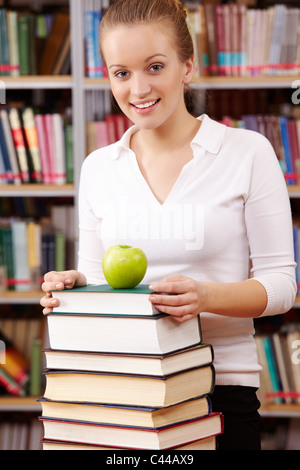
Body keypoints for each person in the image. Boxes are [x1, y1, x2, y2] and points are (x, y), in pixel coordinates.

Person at [40, 0, 297, 450]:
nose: (138, 88)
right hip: (122, 386)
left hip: (217, 390)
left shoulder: (247, 152)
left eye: (154, 66)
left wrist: (204, 297)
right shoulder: (99, 167)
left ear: (187, 66)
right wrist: (74, 286)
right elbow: (103, 281)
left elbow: (281, 288)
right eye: (121, 72)